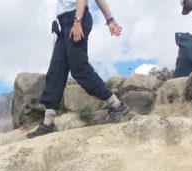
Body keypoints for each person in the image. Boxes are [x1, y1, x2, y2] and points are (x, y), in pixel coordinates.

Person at [26, 0, 131, 138]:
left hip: (75, 19)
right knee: (56, 70)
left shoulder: (77, 19)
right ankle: (48, 123)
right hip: (64, 21)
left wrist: (77, 22)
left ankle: (117, 105)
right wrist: (110, 19)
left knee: (79, 68)